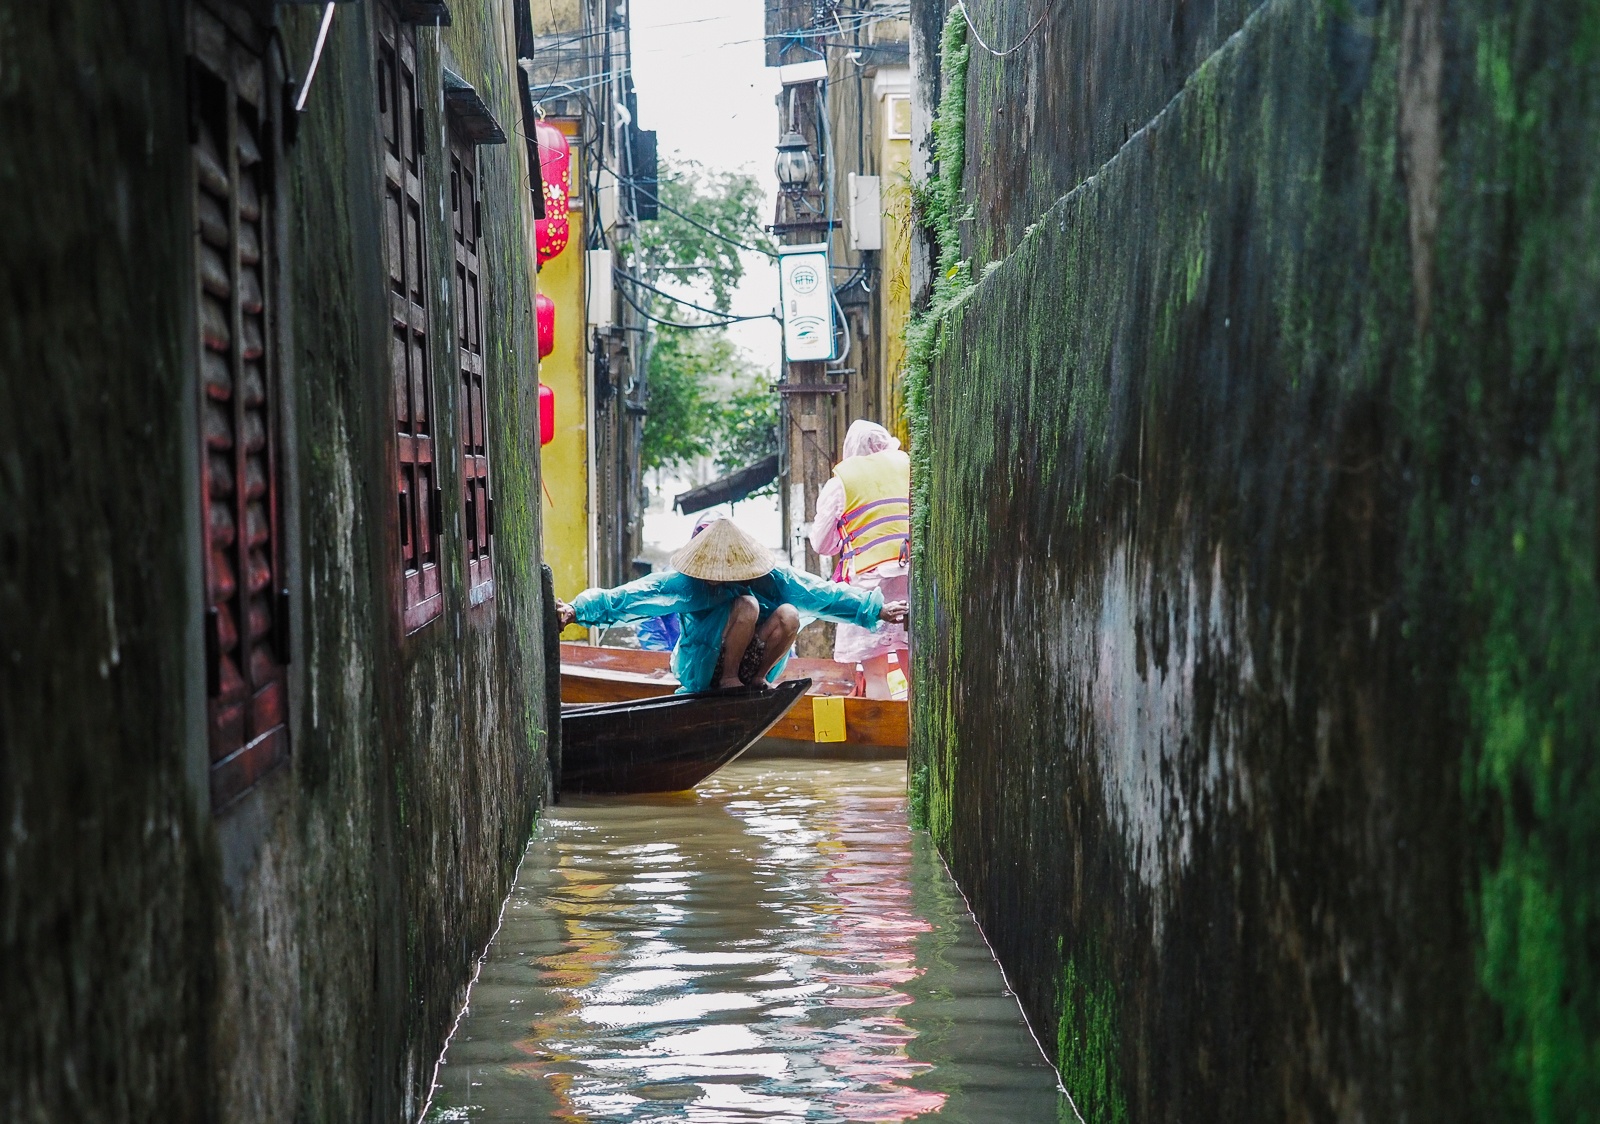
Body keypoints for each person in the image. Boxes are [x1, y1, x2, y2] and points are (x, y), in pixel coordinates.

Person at [554, 518, 908, 694]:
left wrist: (876, 609)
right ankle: (727, 682)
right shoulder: (683, 582)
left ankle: (753, 681)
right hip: (701, 667)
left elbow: (822, 594)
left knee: (786, 613)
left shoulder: (771, 578)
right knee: (747, 606)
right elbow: (628, 597)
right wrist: (575, 610)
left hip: (752, 664)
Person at [809, 420, 910, 699]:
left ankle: (887, 740)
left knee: (876, 672)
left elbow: (823, 544)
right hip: (912, 575)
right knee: (913, 664)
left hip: (869, 581)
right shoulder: (907, 468)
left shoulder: (841, 483)